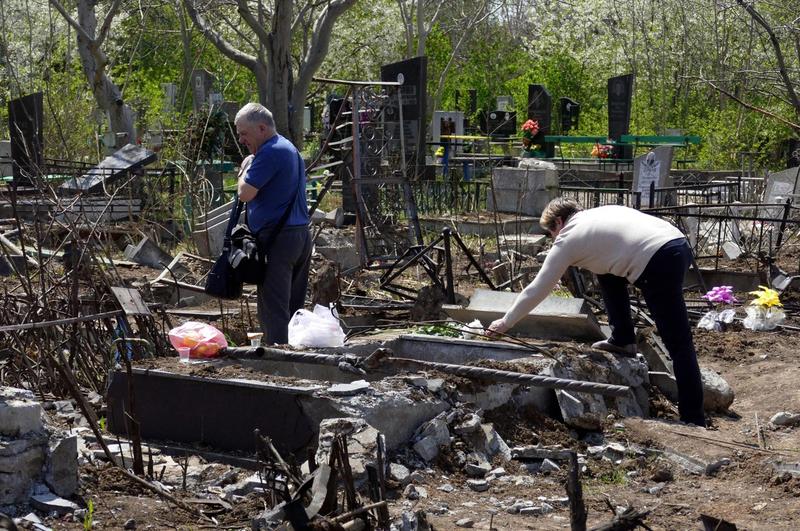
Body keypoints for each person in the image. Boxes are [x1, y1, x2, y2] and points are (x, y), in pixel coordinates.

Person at [488, 197, 706, 427]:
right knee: (606, 271)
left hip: (658, 258)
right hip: (676, 243)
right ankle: (622, 338)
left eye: (550, 231)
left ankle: (693, 418)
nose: (552, 238)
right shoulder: (599, 216)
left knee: (678, 343)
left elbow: (538, 288)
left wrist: (506, 322)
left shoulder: (568, 238)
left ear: (559, 222)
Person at [235, 103, 311, 345]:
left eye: (244, 133)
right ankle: (295, 358)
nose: (241, 139)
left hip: (279, 239)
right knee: (292, 305)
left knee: (274, 308)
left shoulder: (269, 151)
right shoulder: (290, 149)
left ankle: (277, 360)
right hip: (299, 235)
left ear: (261, 128)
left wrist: (243, 169)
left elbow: (245, 193)